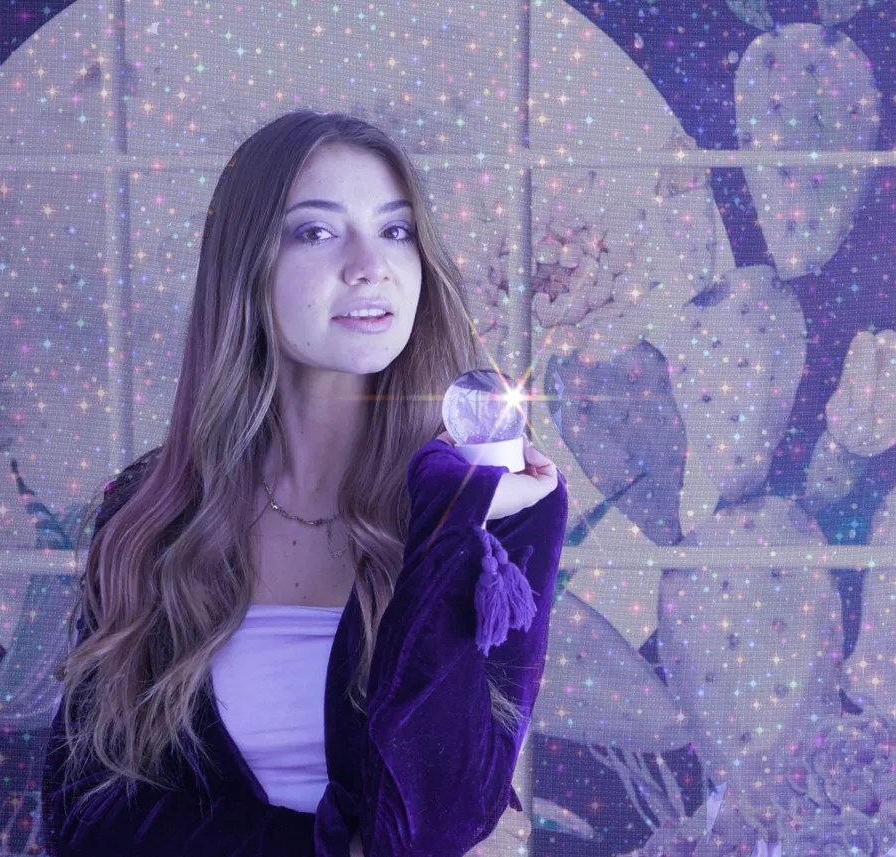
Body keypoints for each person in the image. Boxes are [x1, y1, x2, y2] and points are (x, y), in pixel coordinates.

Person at [41, 108, 568, 856]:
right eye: (316, 232)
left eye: (395, 230)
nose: (369, 265)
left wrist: (446, 526)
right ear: (246, 266)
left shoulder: (498, 501)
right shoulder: (152, 509)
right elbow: (89, 820)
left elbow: (436, 822)